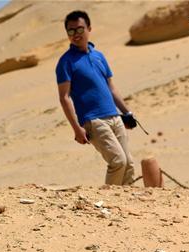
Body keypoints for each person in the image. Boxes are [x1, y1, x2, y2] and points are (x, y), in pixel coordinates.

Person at [56, 10, 137, 186]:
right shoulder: (66, 62)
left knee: (129, 164)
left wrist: (127, 112)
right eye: (70, 31)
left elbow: (111, 88)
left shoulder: (99, 56)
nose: (75, 35)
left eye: (79, 29)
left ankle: (128, 206)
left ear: (89, 28)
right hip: (93, 120)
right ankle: (109, 202)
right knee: (118, 162)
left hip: (114, 116)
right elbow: (64, 97)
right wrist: (77, 128)